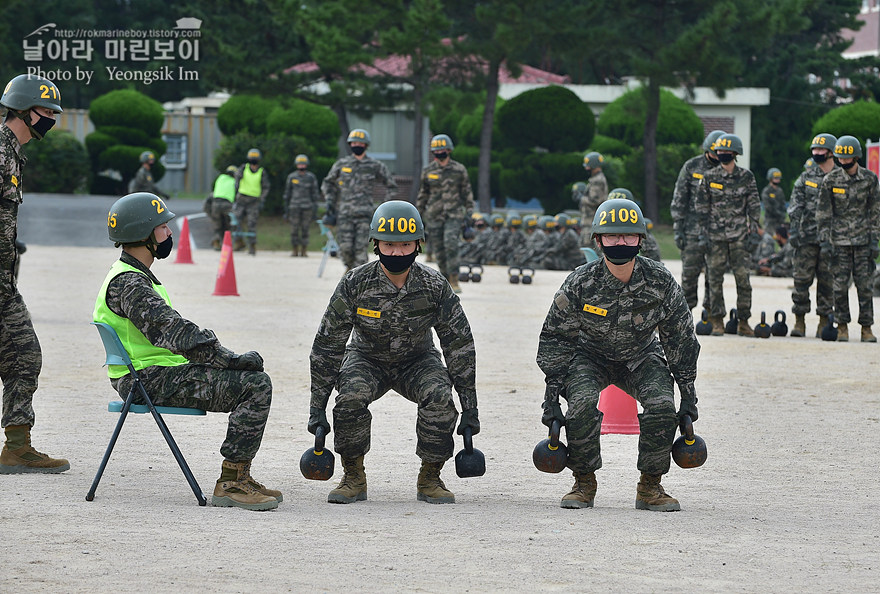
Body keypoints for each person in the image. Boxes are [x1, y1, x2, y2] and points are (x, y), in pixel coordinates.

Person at [94, 192, 280, 510]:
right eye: (163, 227)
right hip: (146, 379)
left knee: (251, 378)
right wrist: (229, 359)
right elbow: (176, 333)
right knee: (256, 385)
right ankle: (232, 482)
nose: (170, 233)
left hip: (150, 373)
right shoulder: (130, 285)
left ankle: (239, 476)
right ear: (144, 234)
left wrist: (226, 359)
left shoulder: (132, 277)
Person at [308, 200, 479, 505]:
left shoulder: (434, 285)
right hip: (365, 358)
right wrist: (317, 408)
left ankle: (430, 477)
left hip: (418, 360)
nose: (398, 253)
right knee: (350, 397)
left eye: (405, 245)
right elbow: (327, 346)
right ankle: (353, 476)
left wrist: (470, 409)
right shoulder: (355, 283)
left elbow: (459, 346)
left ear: (418, 244)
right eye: (389, 244)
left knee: (439, 395)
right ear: (376, 244)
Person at [537, 198, 699, 511]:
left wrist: (688, 396)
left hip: (640, 356)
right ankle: (583, 482)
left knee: (663, 405)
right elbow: (556, 338)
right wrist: (552, 399)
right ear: (598, 240)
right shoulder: (581, 282)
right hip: (590, 356)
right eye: (612, 236)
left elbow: (680, 339)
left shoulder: (660, 281)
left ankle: (650, 486)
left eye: (628, 236)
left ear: (641, 239)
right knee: (581, 403)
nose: (620, 242)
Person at [0, 73, 69, 474]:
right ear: (25, 111)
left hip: (4, 284)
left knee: (25, 356)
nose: (52, 119)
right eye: (46, 112)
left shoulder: (14, 154)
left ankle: (17, 446)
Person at [695, 133, 761, 337]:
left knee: (743, 279)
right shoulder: (710, 177)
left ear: (735, 153)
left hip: (739, 237)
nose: (722, 154)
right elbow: (701, 207)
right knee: (714, 279)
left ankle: (743, 320)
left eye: (726, 152)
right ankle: (717, 320)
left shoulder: (746, 177)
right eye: (719, 151)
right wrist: (703, 234)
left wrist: (754, 231)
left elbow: (754, 205)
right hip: (715, 237)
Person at [816, 135, 880, 342]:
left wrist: (875, 239)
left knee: (865, 285)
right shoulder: (831, 180)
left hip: (863, 241)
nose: (843, 162)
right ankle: (842, 325)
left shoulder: (870, 179)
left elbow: (875, 211)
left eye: (847, 158)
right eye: (840, 158)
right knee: (839, 285)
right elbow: (824, 212)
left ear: (856, 157)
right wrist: (824, 240)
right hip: (839, 241)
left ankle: (866, 328)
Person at [322, 129, 398, 271]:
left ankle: (358, 279)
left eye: (360, 143)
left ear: (366, 145)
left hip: (365, 215)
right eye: (354, 143)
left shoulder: (374, 165)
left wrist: (381, 208)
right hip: (345, 214)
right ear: (350, 145)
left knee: (360, 250)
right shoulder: (342, 164)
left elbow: (391, 186)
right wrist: (330, 202)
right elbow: (328, 183)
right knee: (345, 249)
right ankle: (350, 271)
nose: (357, 145)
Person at [671, 130, 725, 312]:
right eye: (714, 152)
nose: (718, 156)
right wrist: (678, 228)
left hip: (718, 232)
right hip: (692, 231)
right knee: (689, 276)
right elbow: (680, 198)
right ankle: (683, 317)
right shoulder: (692, 166)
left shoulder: (729, 170)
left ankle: (712, 315)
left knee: (714, 277)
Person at [788, 134, 837, 337]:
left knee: (827, 281)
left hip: (833, 238)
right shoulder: (806, 176)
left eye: (820, 150)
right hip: (806, 236)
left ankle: (824, 322)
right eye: (814, 150)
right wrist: (794, 230)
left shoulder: (841, 177)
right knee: (801, 279)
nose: (816, 153)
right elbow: (795, 205)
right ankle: (799, 321)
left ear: (831, 152)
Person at [416, 134, 475, 293]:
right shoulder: (428, 171)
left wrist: (469, 211)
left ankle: (454, 279)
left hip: (454, 215)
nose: (439, 152)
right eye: (436, 150)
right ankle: (444, 279)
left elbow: (467, 192)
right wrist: (417, 215)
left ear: (448, 150)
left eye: (442, 149)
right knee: (439, 249)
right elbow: (423, 194)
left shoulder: (459, 169)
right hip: (434, 215)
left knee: (451, 245)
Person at [233, 148, 270, 255]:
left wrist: (262, 198)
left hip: (254, 201)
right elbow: (237, 180)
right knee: (236, 221)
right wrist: (237, 193)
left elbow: (266, 187)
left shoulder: (261, 172)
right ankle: (239, 242)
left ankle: (252, 246)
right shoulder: (243, 168)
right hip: (242, 199)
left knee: (251, 223)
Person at [283, 154, 321, 257]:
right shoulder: (291, 177)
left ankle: (304, 250)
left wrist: (315, 209)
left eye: (303, 164)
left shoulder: (311, 177)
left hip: (307, 207)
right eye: (300, 164)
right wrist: (286, 210)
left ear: (306, 165)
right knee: (294, 229)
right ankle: (295, 250)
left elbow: (315, 194)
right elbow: (287, 194)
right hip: (294, 207)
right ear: (296, 165)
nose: (301, 166)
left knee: (305, 229)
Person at [578, 152, 608, 248]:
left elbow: (595, 201)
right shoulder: (595, 179)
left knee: (589, 250)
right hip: (590, 222)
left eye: (588, 166)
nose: (587, 169)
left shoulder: (597, 180)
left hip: (592, 222)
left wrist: (581, 198)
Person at [205, 165, 237, 250]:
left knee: (217, 225)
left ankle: (216, 242)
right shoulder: (235, 181)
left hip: (216, 204)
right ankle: (229, 243)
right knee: (228, 225)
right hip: (227, 205)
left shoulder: (220, 178)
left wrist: (209, 213)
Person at [761, 168, 787, 232]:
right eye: (775, 178)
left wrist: (783, 215)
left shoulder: (780, 191)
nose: (777, 180)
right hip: (770, 221)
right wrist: (779, 214)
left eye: (778, 178)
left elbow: (783, 204)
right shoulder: (766, 191)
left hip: (780, 221)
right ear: (770, 178)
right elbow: (768, 207)